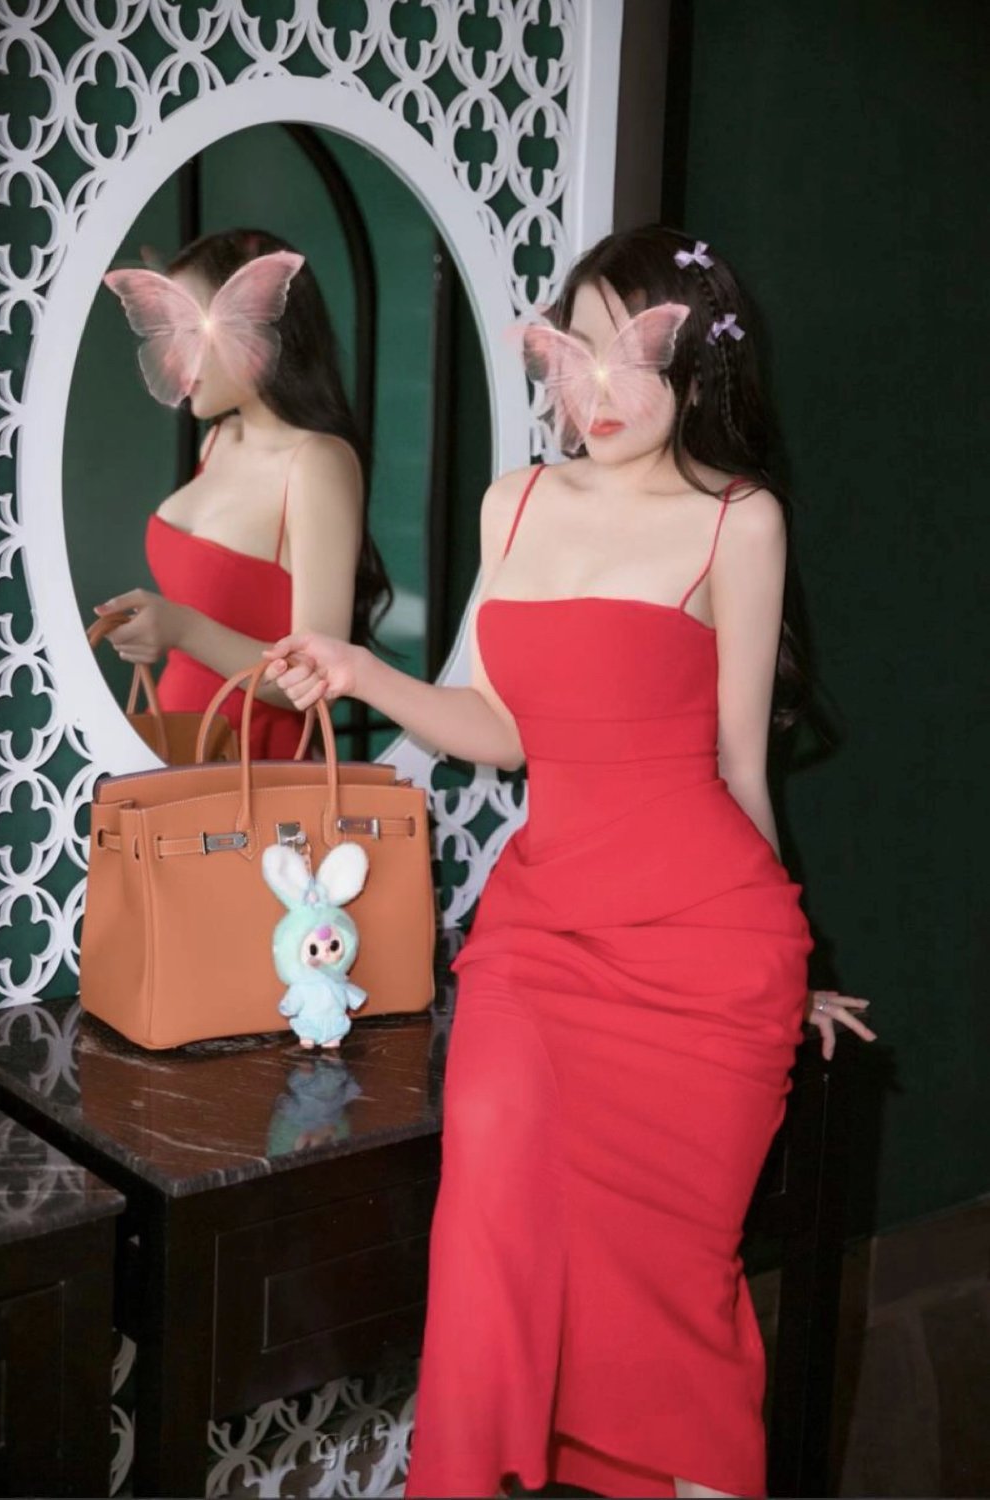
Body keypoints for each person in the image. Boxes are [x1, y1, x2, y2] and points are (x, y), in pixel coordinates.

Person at [262, 223, 877, 1499]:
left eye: (629, 355)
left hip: (706, 956)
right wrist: (361, 669)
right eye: (572, 349)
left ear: (694, 368)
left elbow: (741, 769)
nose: (593, 387)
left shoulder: (738, 522)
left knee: (674, 1291)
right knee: (489, 1217)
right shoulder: (518, 502)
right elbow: (497, 725)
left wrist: (787, 969)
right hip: (539, 947)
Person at [95, 227, 392, 759]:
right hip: (174, 750)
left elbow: (317, 678)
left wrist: (183, 629)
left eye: (193, 329)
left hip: (249, 771)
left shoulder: (316, 463)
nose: (174, 356)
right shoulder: (218, 440)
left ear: (258, 325)